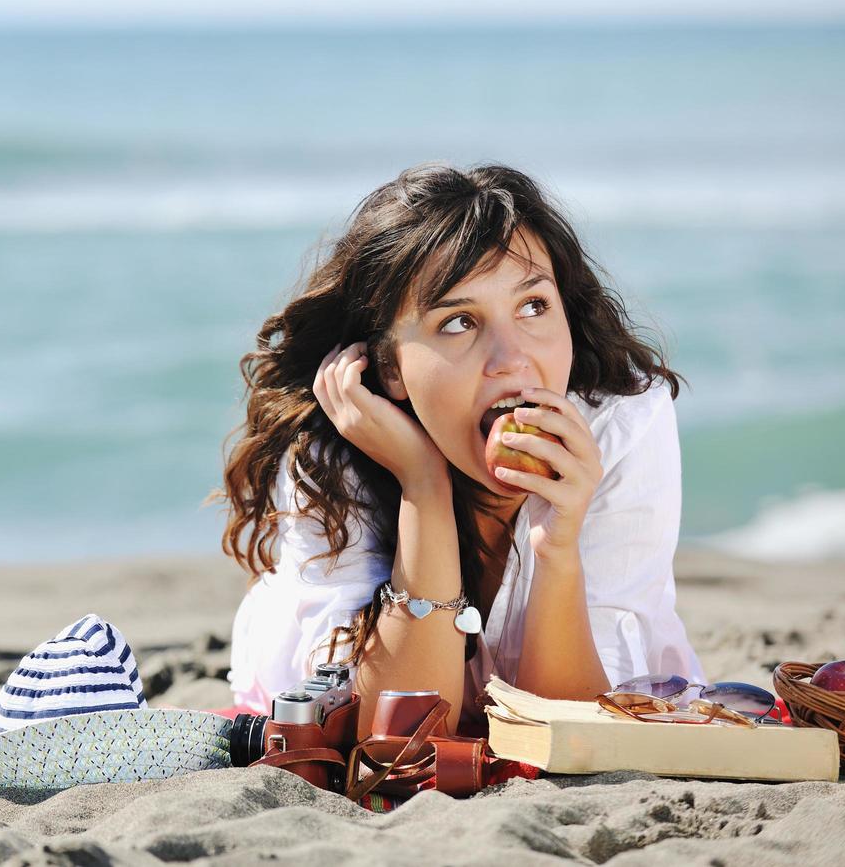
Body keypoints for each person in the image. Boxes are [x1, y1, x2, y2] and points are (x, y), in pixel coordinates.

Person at [211, 163, 705, 740]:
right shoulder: (335, 451)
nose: (512, 359)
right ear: (391, 367)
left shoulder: (621, 425)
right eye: (459, 321)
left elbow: (574, 731)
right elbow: (395, 735)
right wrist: (423, 485)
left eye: (533, 306)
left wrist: (558, 546)